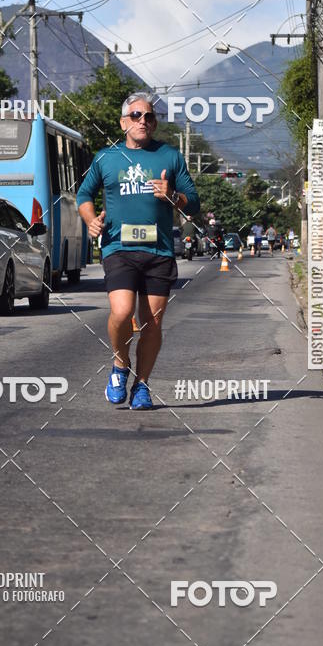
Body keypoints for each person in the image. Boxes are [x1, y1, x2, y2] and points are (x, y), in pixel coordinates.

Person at [77, 91, 200, 410]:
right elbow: (84, 195)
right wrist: (91, 221)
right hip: (119, 247)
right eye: (136, 116)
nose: (143, 120)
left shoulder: (170, 156)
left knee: (152, 323)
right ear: (123, 123)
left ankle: (141, 385)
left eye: (149, 116)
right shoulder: (106, 157)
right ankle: (120, 364)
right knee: (121, 312)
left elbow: (193, 202)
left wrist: (173, 195)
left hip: (159, 251)